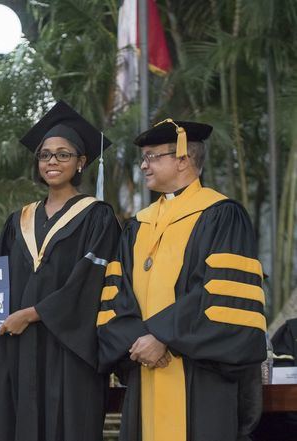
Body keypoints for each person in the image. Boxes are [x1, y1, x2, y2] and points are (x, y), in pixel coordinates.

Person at [97, 120, 267, 441]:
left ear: (183, 159)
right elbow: (117, 295)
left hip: (200, 375)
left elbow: (224, 293)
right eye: (143, 159)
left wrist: (162, 337)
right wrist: (139, 341)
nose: (144, 166)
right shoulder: (138, 225)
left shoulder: (221, 215)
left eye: (152, 157)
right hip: (145, 368)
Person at [0, 101, 121, 441]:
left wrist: (32, 314)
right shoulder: (18, 220)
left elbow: (88, 285)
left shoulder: (97, 217)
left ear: (81, 162)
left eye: (63, 154)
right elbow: (1, 282)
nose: (52, 162)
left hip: (69, 351)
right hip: (20, 349)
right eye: (45, 155)